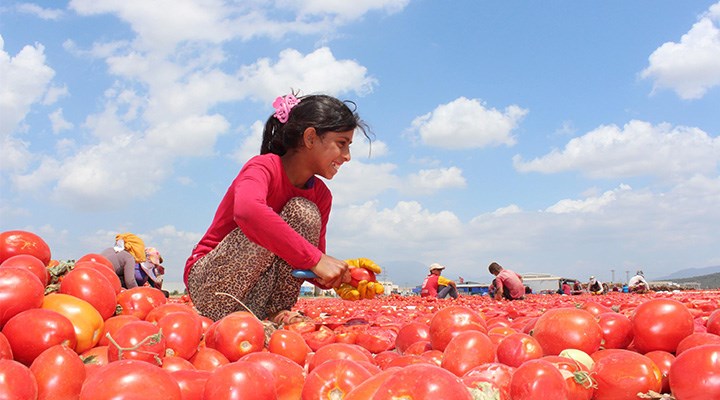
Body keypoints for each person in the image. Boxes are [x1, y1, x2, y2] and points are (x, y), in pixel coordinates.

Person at [184, 93, 370, 323]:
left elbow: (309, 260)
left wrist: (345, 276)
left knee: (304, 211)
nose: (347, 156)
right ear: (310, 138)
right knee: (280, 217)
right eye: (341, 144)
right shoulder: (262, 168)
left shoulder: (321, 195)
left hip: (257, 297)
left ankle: (272, 312)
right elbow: (248, 212)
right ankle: (227, 317)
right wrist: (316, 259)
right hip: (213, 288)